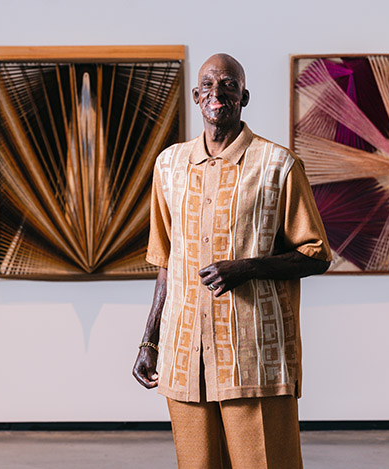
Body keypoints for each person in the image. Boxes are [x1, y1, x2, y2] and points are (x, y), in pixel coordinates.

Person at [132, 53, 332, 468]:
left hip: (252, 357)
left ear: (244, 96)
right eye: (208, 85)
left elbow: (316, 254)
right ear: (196, 96)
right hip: (184, 356)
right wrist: (150, 341)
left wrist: (249, 267)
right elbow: (165, 263)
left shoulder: (277, 165)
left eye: (228, 85)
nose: (217, 93)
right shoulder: (168, 166)